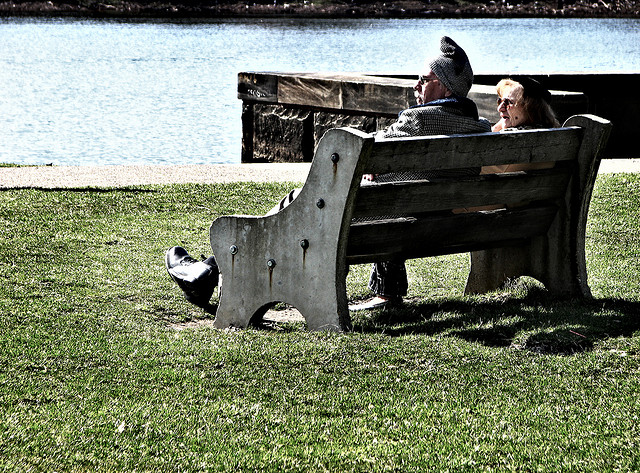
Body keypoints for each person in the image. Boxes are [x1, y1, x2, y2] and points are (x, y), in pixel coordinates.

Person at [166, 36, 491, 310]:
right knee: (379, 198)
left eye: (425, 79)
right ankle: (213, 268)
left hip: (385, 223)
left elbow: (357, 151)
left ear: (445, 88)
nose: (416, 85)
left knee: (297, 205)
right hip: (436, 227)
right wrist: (379, 176)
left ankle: (213, 269)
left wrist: (372, 172)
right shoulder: (479, 128)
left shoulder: (419, 121)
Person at [482, 76, 559, 175]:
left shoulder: (510, 143)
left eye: (508, 102)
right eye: (500, 101)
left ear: (530, 109)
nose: (500, 108)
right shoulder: (555, 139)